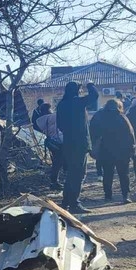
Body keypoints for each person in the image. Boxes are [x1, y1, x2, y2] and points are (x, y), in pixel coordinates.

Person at [56, 80, 99, 213]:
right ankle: (74, 203)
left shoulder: (61, 104)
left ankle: (66, 202)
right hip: (80, 144)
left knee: (71, 174)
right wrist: (90, 85)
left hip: (68, 143)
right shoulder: (77, 102)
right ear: (76, 90)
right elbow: (94, 96)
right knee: (78, 174)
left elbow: (60, 125)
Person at [89, 99, 136, 203]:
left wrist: (93, 147)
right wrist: (133, 148)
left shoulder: (99, 117)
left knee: (107, 173)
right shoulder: (122, 117)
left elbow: (92, 132)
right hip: (122, 151)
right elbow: (130, 134)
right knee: (124, 174)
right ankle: (125, 195)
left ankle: (108, 195)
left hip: (105, 150)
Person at [37, 103, 63, 189]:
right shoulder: (53, 117)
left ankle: (54, 181)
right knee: (58, 162)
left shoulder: (40, 120)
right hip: (59, 142)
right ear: (49, 109)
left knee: (56, 162)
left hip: (51, 143)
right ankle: (55, 181)